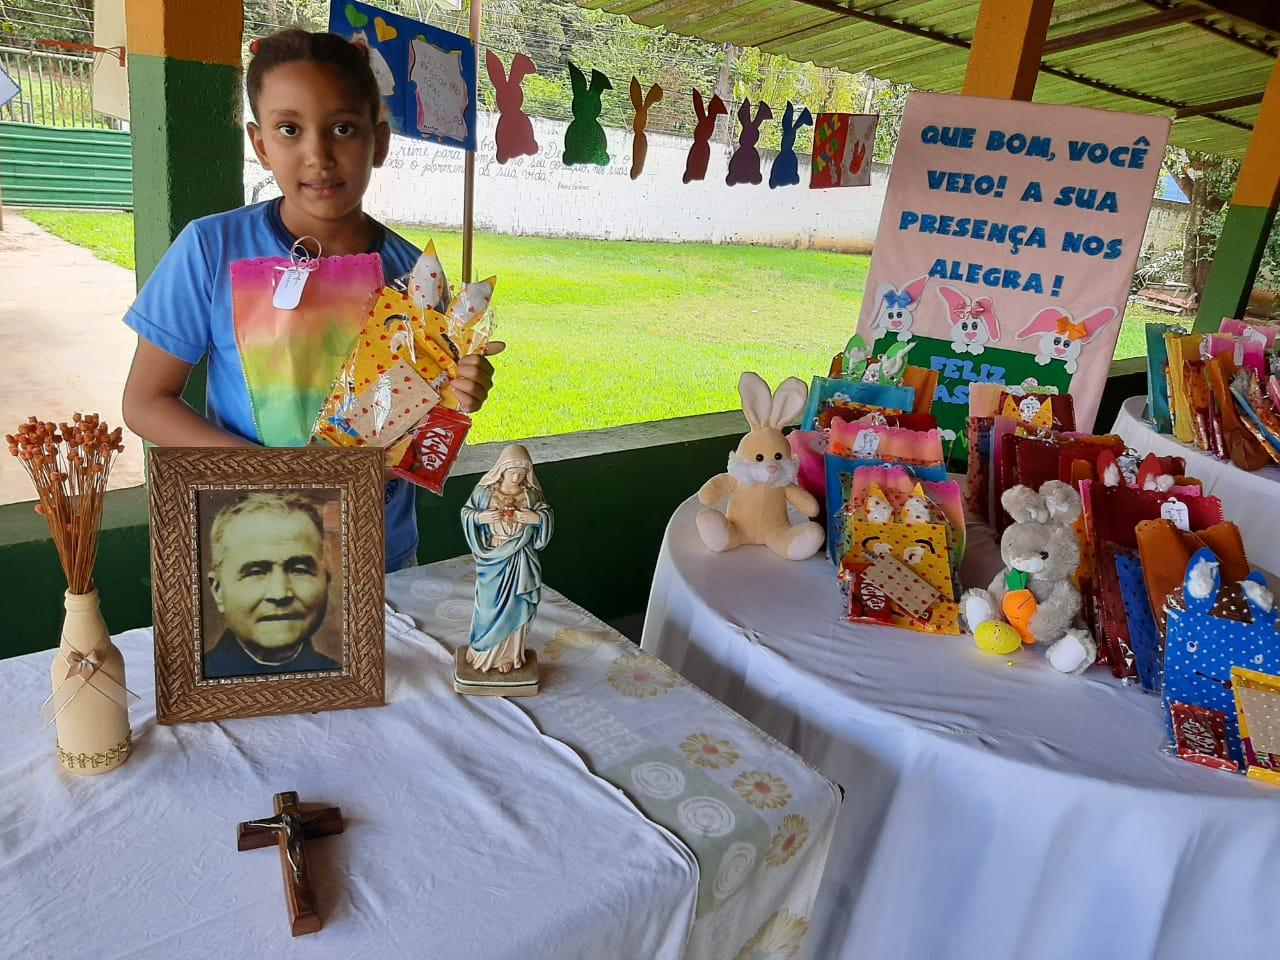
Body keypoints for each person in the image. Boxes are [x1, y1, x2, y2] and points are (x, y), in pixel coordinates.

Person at [121, 29, 502, 572]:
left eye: (342, 129)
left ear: (379, 141)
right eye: (290, 130)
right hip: (251, 548)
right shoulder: (211, 248)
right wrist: (277, 477)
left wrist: (457, 396)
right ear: (260, 144)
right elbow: (145, 402)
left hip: (378, 557)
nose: (318, 155)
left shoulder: (419, 280)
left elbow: (415, 428)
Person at [204, 492, 338, 678]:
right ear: (218, 590)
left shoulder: (340, 676)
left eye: (298, 569)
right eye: (256, 572)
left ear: (325, 579)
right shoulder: (200, 679)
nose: (280, 593)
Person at [460, 445, 554, 673]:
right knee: (488, 606)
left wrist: (536, 518)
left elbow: (546, 514)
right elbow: (466, 513)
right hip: (493, 556)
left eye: (522, 474)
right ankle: (482, 652)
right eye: (512, 472)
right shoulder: (484, 492)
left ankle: (509, 656)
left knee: (516, 605)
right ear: (501, 470)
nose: (517, 477)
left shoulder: (530, 495)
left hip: (521, 557)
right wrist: (480, 517)